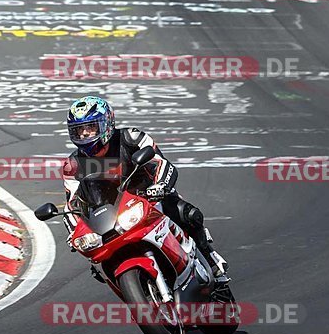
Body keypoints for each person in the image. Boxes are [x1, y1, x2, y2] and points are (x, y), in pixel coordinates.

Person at [62, 95, 229, 280]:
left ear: (106, 124)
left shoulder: (131, 137)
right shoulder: (72, 165)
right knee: (97, 262)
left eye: (90, 127)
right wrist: (74, 232)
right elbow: (72, 205)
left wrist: (160, 186)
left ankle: (211, 259)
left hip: (149, 196)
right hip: (110, 214)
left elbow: (161, 163)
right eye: (79, 130)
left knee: (187, 214)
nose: (85, 134)